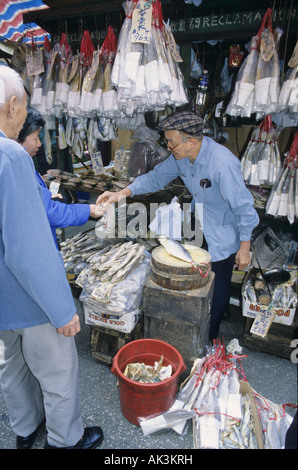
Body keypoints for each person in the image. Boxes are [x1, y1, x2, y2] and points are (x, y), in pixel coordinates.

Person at [0, 64, 103, 449]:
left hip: (2, 299)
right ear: (13, 106)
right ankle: (65, 441)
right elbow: (29, 248)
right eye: (25, 107)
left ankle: (26, 431)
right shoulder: (10, 156)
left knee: (13, 367)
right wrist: (62, 310)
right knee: (58, 371)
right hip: (29, 296)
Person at [96, 111, 259, 340]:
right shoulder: (181, 157)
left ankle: (207, 338)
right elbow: (156, 177)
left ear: (191, 140)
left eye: (171, 142)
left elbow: (243, 207)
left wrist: (244, 246)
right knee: (195, 277)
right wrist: (121, 193)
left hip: (222, 233)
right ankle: (195, 324)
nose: (168, 147)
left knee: (217, 287)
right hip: (198, 225)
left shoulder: (222, 163)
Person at [18, 107, 105, 249]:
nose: (39, 144)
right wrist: (88, 210)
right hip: (33, 244)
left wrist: (47, 197)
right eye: (35, 138)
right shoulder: (19, 168)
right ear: (19, 137)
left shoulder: (20, 163)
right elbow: (50, 213)